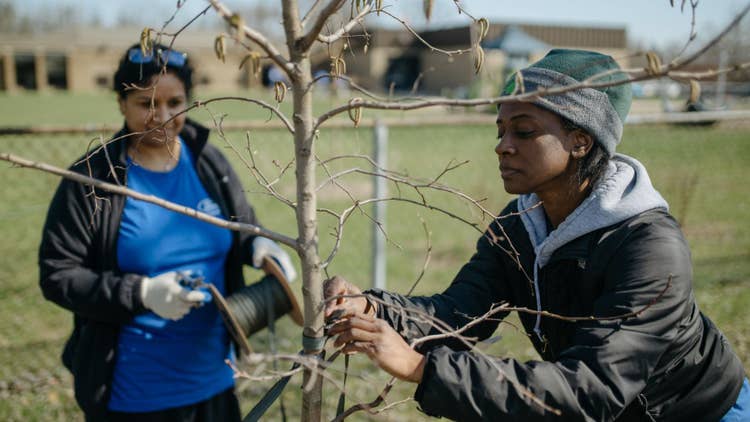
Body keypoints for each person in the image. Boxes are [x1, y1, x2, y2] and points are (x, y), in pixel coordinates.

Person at [324, 49, 749, 421]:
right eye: (500, 130)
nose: (502, 146)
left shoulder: (649, 248)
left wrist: (422, 368)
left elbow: (592, 388)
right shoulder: (521, 226)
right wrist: (372, 309)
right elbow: (455, 315)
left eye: (523, 132)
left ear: (581, 140)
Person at [38, 43, 297, 421]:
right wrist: (141, 292)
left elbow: (242, 228)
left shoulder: (209, 161)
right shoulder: (92, 181)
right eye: (146, 104)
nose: (162, 117)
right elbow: (57, 275)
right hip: (135, 394)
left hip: (216, 384)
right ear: (121, 103)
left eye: (175, 103)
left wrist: (259, 245)